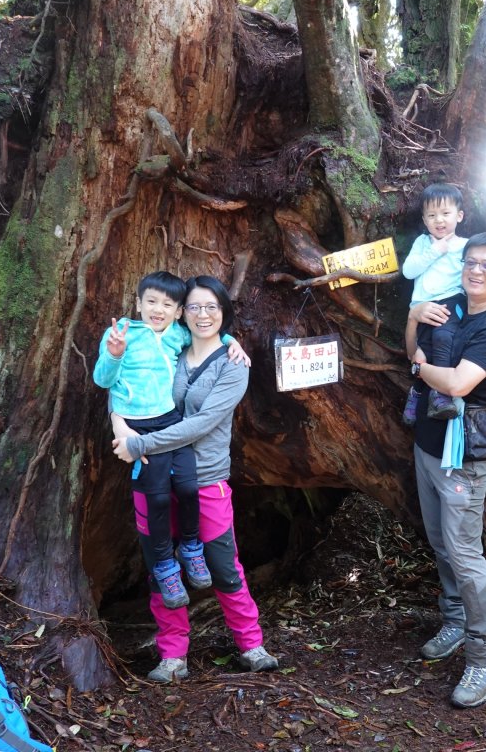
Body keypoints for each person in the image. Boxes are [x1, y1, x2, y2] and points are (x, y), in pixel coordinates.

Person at [111, 275, 279, 681]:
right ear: (182, 313)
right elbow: (124, 384)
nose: (203, 315)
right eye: (195, 307)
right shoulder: (167, 346)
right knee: (162, 567)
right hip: (153, 475)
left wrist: (141, 444)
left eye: (212, 308)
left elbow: (203, 423)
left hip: (205, 479)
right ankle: (173, 655)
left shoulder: (233, 364)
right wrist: (119, 425)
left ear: (224, 313)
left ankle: (251, 644)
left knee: (222, 564)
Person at [404, 232, 486, 708]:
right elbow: (412, 345)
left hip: (466, 456)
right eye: (470, 262)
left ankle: (484, 657)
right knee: (438, 540)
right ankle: (454, 620)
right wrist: (412, 319)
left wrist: (419, 370)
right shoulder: (450, 305)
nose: (476, 271)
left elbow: (455, 381)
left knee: (465, 553)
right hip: (428, 443)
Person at [94, 271, 213, 609]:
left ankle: (191, 548)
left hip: (170, 422)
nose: (157, 309)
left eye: (167, 304)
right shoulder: (122, 334)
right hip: (137, 426)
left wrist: (234, 345)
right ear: (138, 303)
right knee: (158, 499)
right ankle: (165, 566)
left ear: (178, 311)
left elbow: (210, 338)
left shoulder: (178, 334)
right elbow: (102, 380)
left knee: (190, 488)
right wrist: (114, 353)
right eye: (150, 302)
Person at [400, 183, 469, 425]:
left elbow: (479, 273)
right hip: (421, 307)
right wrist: (435, 251)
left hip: (451, 301)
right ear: (424, 219)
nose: (439, 220)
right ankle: (417, 393)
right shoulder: (422, 242)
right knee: (419, 354)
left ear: (459, 216)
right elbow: (408, 271)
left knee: (443, 339)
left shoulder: (465, 245)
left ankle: (440, 395)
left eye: (445, 213)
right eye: (432, 215)